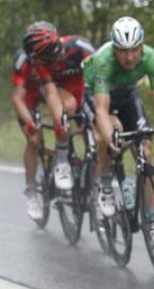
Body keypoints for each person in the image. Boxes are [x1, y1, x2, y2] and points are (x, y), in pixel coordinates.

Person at [89, 16, 154, 247]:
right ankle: (106, 183)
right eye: (122, 51)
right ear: (114, 48)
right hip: (98, 96)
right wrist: (110, 136)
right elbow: (100, 110)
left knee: (146, 152)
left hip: (128, 96)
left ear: (142, 46)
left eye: (134, 50)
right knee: (107, 133)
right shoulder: (103, 61)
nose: (129, 57)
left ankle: (152, 223)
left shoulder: (151, 58)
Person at [12, 22, 94, 219]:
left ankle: (78, 162)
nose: (36, 60)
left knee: (78, 116)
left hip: (60, 89)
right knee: (34, 140)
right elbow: (18, 98)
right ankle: (32, 191)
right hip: (31, 95)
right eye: (34, 57)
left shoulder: (76, 48)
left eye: (39, 56)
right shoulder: (24, 60)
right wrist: (29, 122)